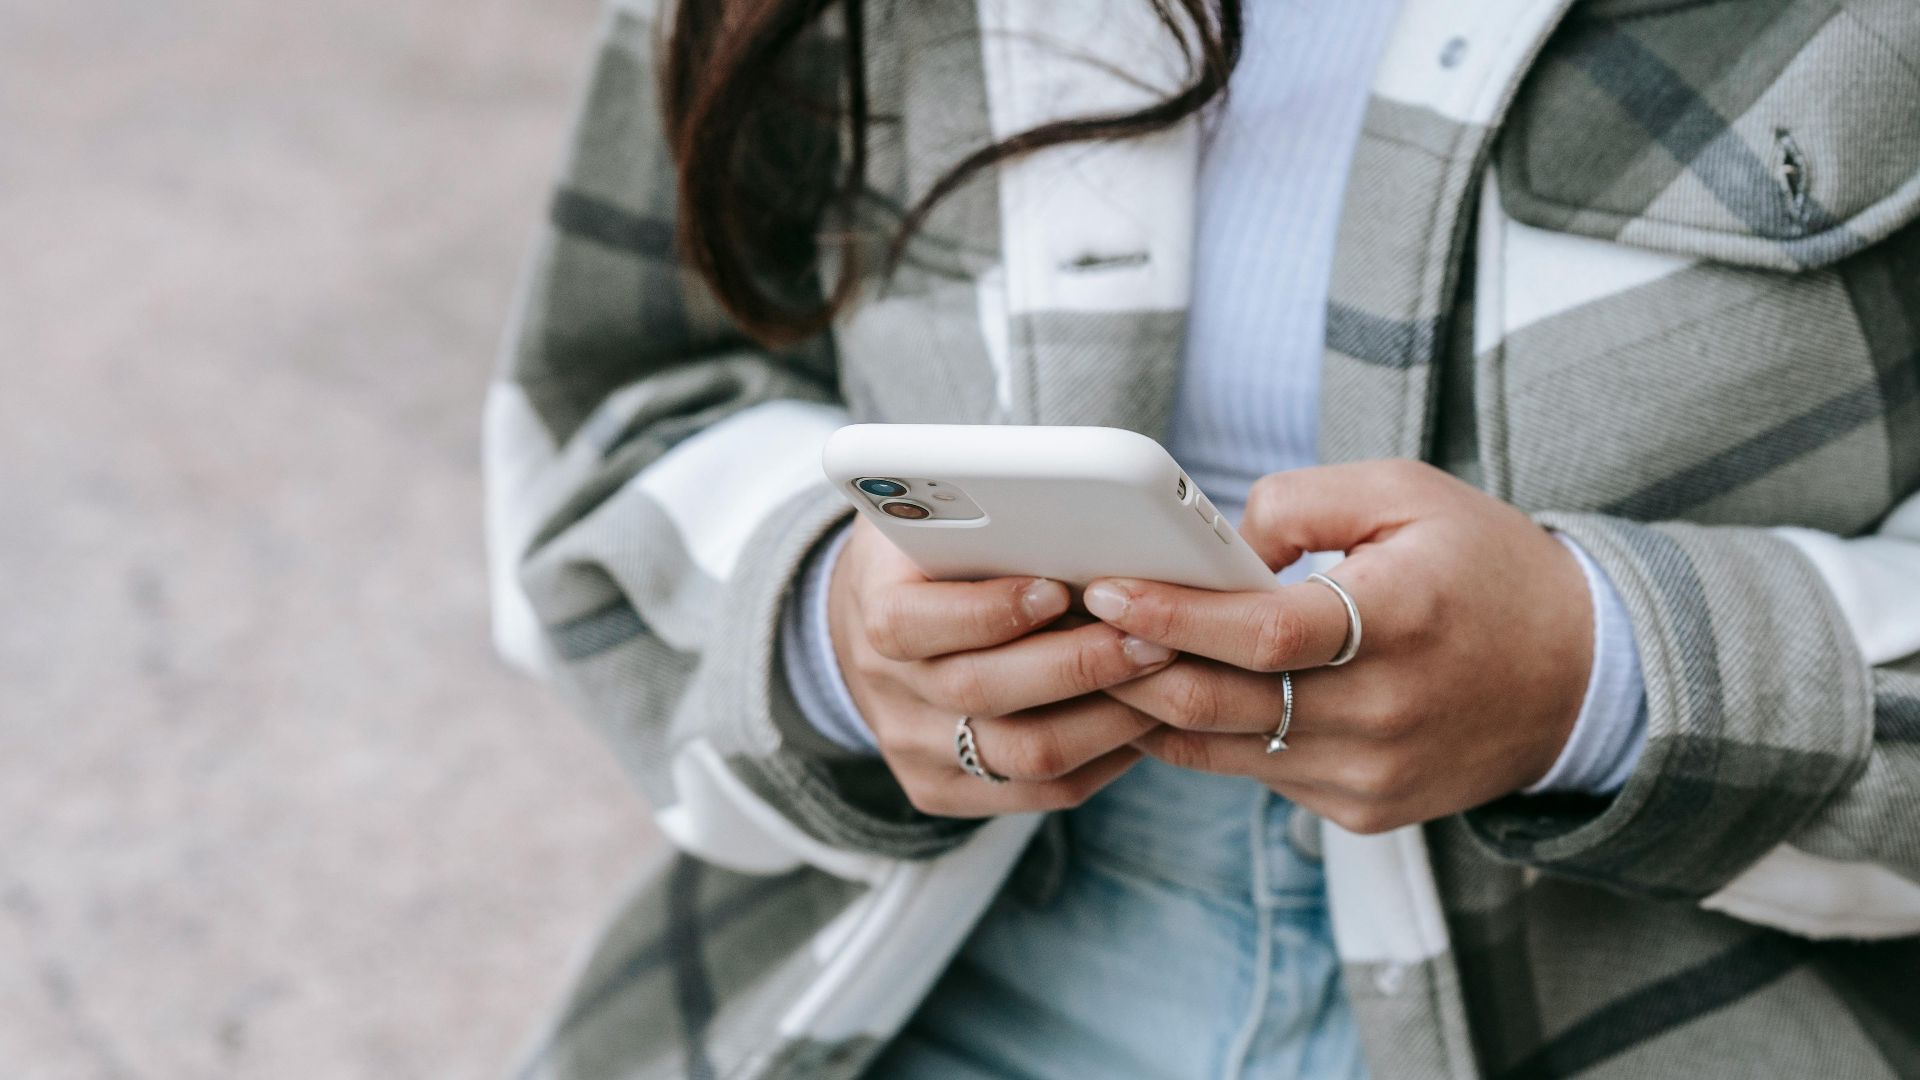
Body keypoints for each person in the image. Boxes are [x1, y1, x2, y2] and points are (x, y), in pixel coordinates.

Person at [484, 0, 1920, 1077]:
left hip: (1696, 1004)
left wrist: (1599, 680)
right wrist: (833, 631)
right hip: (910, 973)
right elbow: (609, 404)